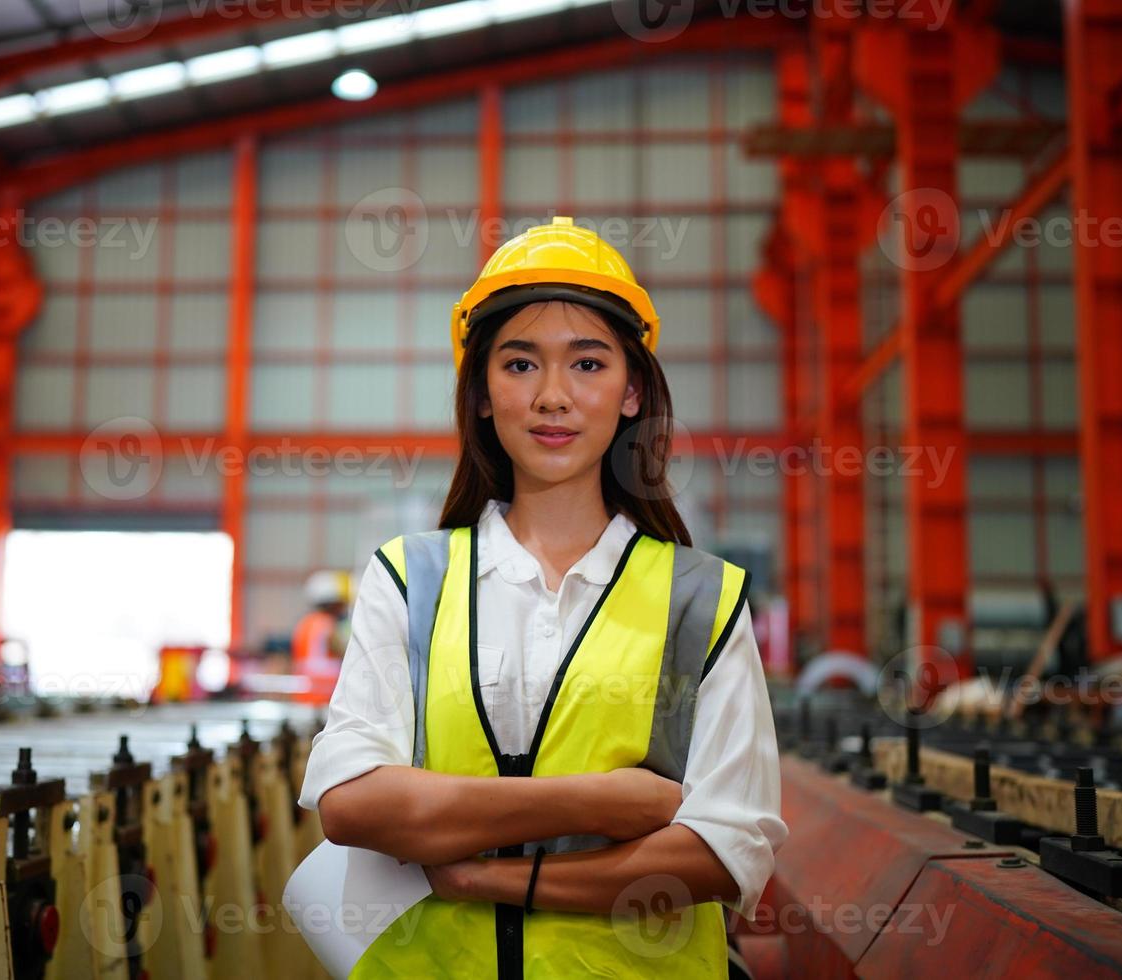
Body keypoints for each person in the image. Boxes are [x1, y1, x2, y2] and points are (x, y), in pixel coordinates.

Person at [297, 217, 787, 977]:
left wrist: (492, 877)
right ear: (484, 394)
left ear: (631, 392)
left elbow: (725, 853)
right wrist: (599, 803)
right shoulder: (411, 580)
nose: (553, 396)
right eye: (520, 364)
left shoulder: (702, 600)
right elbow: (353, 805)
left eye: (587, 364)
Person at [290, 570, 351, 703]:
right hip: (325, 693)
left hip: (305, 692)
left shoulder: (304, 624)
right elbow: (344, 652)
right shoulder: (327, 625)